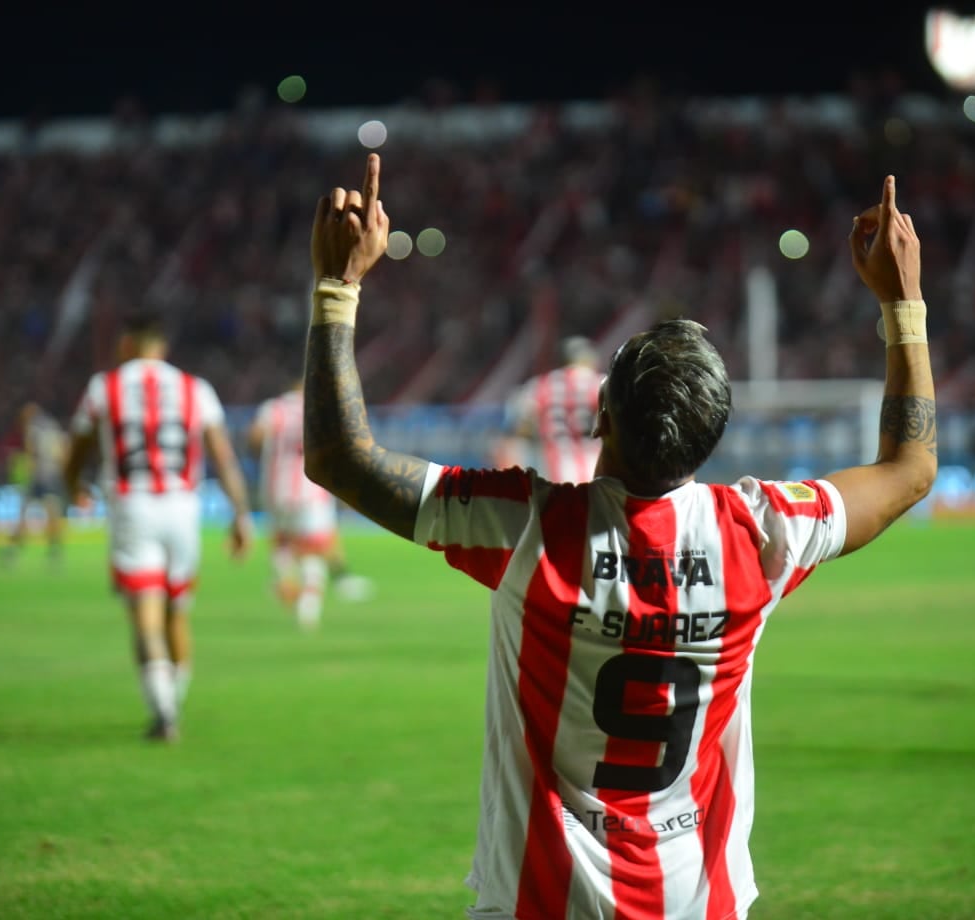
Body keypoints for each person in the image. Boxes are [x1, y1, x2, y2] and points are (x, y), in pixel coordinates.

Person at [301, 154, 936, 918]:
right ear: (712, 437)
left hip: (538, 898)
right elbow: (909, 467)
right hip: (697, 900)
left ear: (601, 414)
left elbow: (338, 456)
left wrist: (339, 286)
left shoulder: (526, 528)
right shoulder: (763, 533)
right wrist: (904, 305)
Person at [63, 311, 254, 743]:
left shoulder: (104, 387)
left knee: (145, 617)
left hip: (133, 505)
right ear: (162, 347)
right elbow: (222, 456)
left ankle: (164, 711)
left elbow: (76, 450)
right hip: (184, 508)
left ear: (127, 344)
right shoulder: (194, 388)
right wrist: (240, 515)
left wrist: (74, 486)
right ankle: (174, 698)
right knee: (176, 612)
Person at [247, 377, 374, 629]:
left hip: (275, 489)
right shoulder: (321, 408)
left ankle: (283, 581)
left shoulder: (273, 408)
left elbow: (255, 438)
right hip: (312, 490)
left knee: (282, 542)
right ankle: (309, 606)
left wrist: (270, 459)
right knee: (314, 548)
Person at [498, 335, 604, 482]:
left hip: (556, 471)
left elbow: (520, 426)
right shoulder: (601, 383)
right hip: (595, 471)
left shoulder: (540, 386)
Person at [0, 401, 69, 568]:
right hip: (53, 474)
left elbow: (31, 452)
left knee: (24, 512)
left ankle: (13, 550)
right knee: (53, 514)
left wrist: (26, 473)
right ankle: (55, 551)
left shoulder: (33, 428)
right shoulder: (52, 425)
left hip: (39, 476)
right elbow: (63, 449)